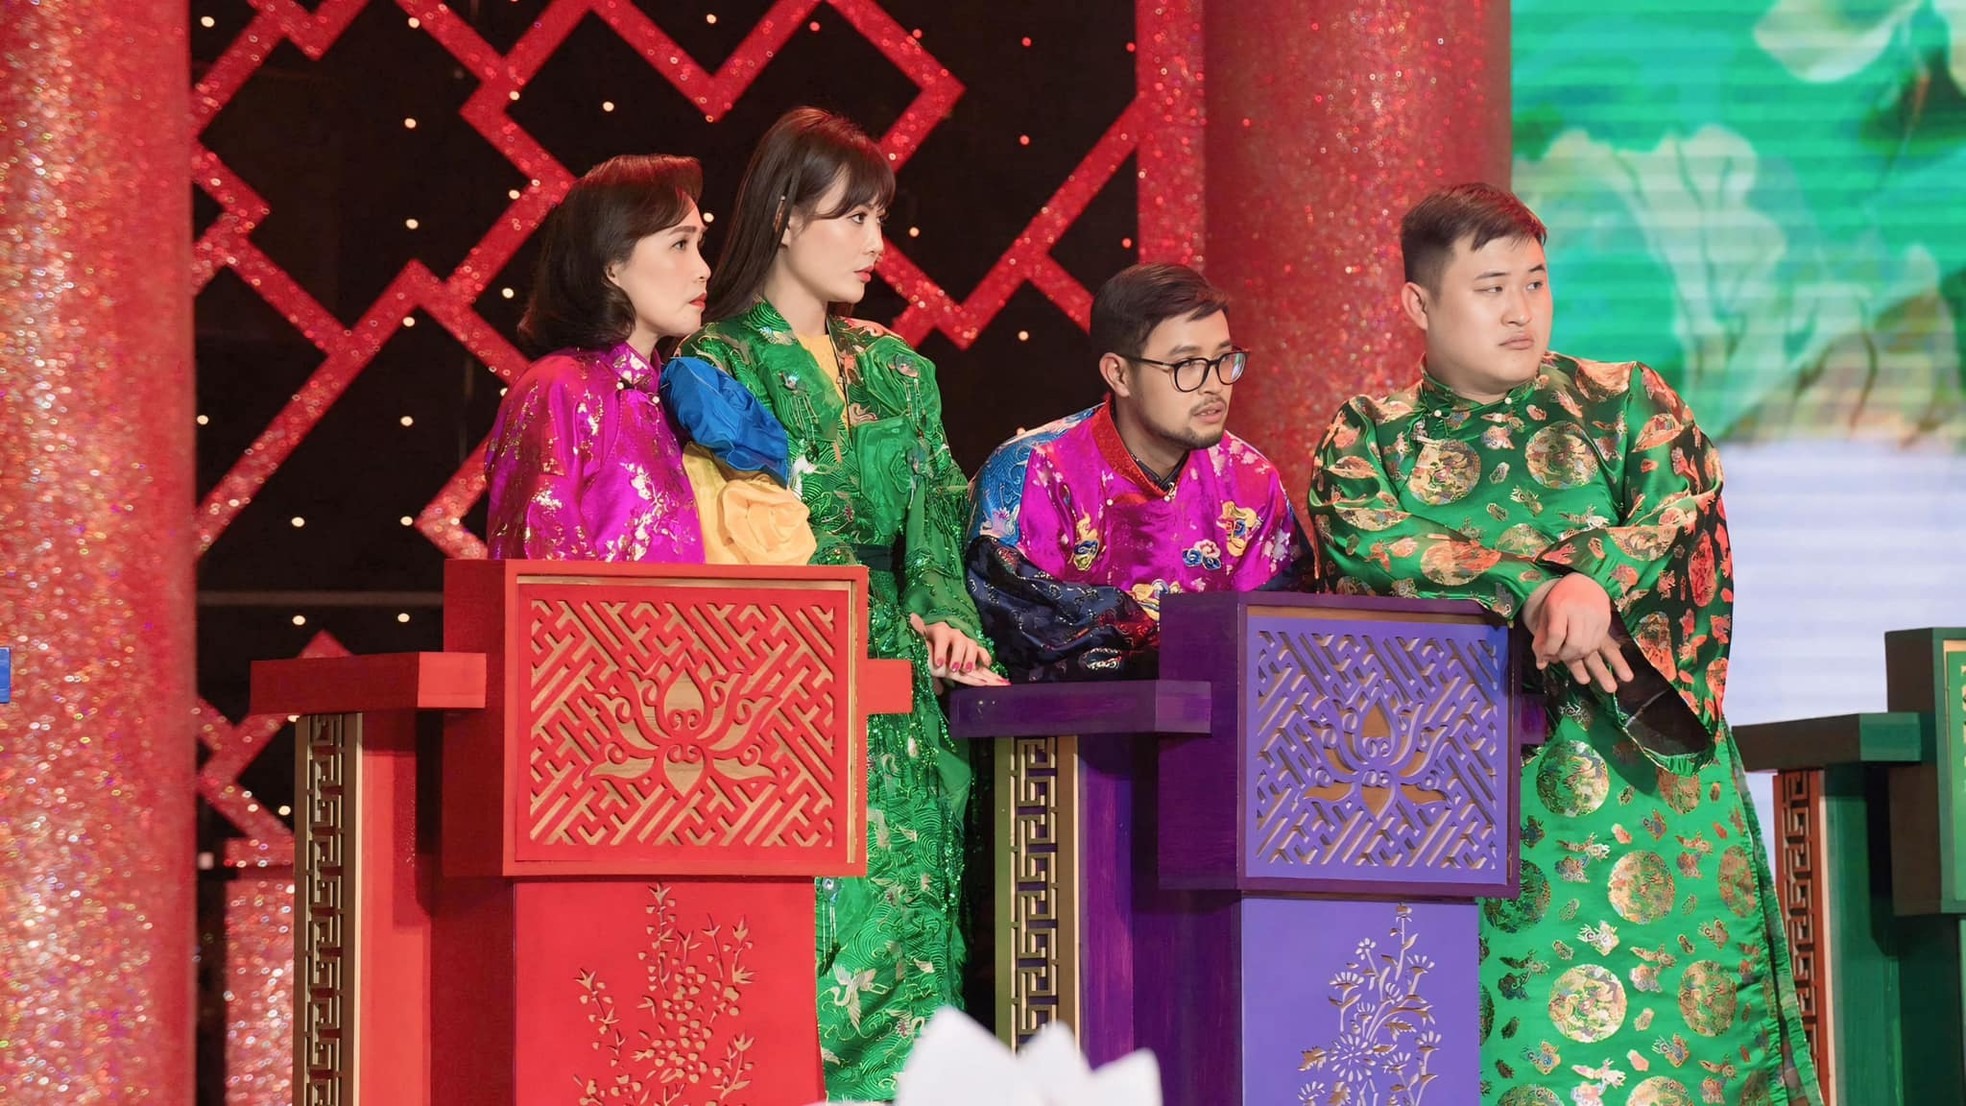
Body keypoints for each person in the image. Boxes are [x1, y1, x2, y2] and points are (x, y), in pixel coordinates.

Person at [1306, 183, 1820, 1106]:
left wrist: (1595, 580)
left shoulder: (1625, 402)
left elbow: (1683, 508)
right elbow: (1368, 540)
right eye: (1492, 288)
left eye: (1535, 283)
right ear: (1418, 304)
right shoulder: (1370, 434)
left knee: (1685, 1052)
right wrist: (1536, 589)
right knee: (1497, 1049)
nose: (1521, 311)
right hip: (1467, 797)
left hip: (1644, 783)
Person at [676, 107, 1006, 1098]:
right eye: (852, 217)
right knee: (816, 942)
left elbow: (938, 516)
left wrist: (947, 618)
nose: (875, 242)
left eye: (880, 218)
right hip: (784, 684)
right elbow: (727, 527)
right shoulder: (715, 364)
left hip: (901, 686)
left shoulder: (900, 370)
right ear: (784, 216)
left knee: (919, 926)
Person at [966, 263, 1312, 681]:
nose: (1214, 385)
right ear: (1119, 374)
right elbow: (1019, 630)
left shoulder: (1251, 480)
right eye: (1187, 364)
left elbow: (1283, 632)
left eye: (1224, 359)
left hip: (1219, 717)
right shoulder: (1035, 470)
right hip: (1066, 719)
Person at [485, 153, 813, 566]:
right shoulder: (560, 388)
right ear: (611, 264)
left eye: (699, 245)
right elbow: (538, 573)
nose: (703, 269)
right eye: (679, 244)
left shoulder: (674, 399)